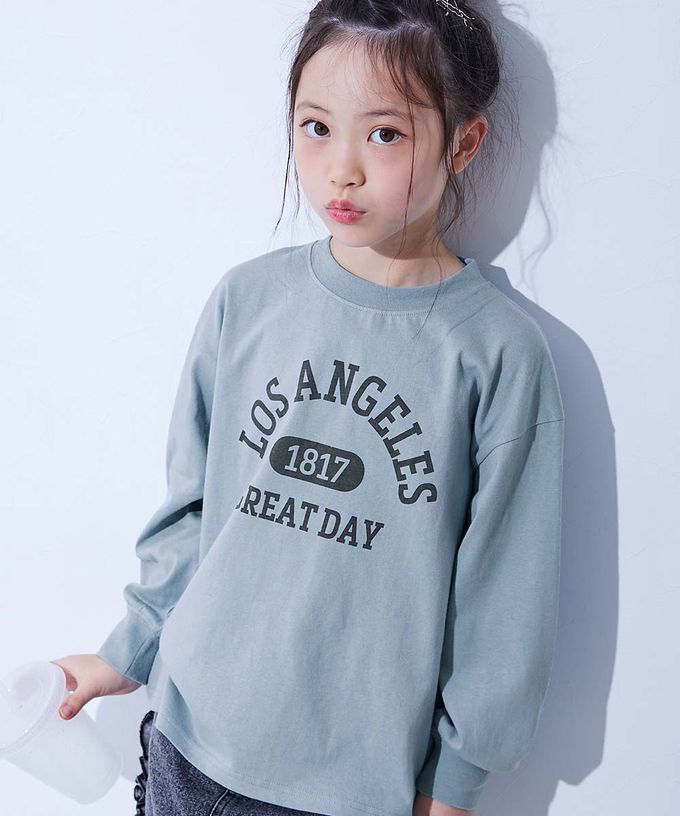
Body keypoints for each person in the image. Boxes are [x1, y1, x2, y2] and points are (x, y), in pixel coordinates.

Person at [50, 2, 565, 815]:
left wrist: (455, 784)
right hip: (188, 745)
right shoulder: (249, 300)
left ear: (464, 143)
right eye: (316, 127)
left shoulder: (496, 353)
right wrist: (128, 649)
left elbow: (505, 599)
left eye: (385, 134)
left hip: (349, 787)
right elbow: (192, 508)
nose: (341, 170)